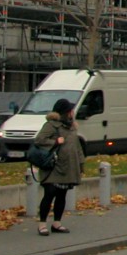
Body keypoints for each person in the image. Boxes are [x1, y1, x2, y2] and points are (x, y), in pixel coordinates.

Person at [33, 98, 85, 236]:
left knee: (62, 196)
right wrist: (55, 141)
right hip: (53, 167)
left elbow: (77, 147)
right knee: (49, 194)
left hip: (67, 168)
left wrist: (81, 164)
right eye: (70, 110)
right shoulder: (51, 125)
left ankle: (57, 223)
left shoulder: (72, 127)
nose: (72, 113)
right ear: (65, 112)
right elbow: (39, 140)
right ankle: (42, 224)